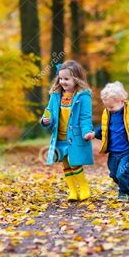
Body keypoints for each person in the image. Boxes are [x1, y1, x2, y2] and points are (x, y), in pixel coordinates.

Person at [90, 81, 129, 202]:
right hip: (113, 152)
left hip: (127, 151)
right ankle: (123, 183)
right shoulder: (107, 113)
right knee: (114, 174)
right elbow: (103, 129)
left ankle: (124, 192)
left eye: (111, 107)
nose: (109, 109)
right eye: (107, 107)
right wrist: (94, 134)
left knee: (121, 173)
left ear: (122, 101)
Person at [41, 60, 95, 201]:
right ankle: (72, 191)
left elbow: (85, 117)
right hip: (59, 137)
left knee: (75, 162)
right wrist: (46, 120)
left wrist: (87, 131)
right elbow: (49, 112)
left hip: (75, 137)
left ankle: (84, 188)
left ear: (76, 79)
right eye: (61, 78)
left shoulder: (83, 96)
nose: (63, 82)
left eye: (67, 79)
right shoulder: (56, 95)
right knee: (65, 163)